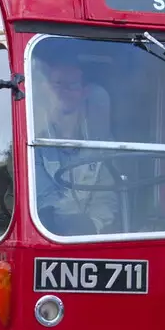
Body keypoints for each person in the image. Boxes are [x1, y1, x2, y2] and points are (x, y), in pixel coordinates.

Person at [33, 57, 119, 235]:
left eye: (72, 85)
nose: (64, 91)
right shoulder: (33, 139)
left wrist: (92, 224)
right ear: (46, 88)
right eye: (58, 84)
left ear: (84, 91)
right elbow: (42, 196)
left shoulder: (101, 142)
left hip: (90, 238)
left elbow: (107, 193)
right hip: (43, 234)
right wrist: (57, 225)